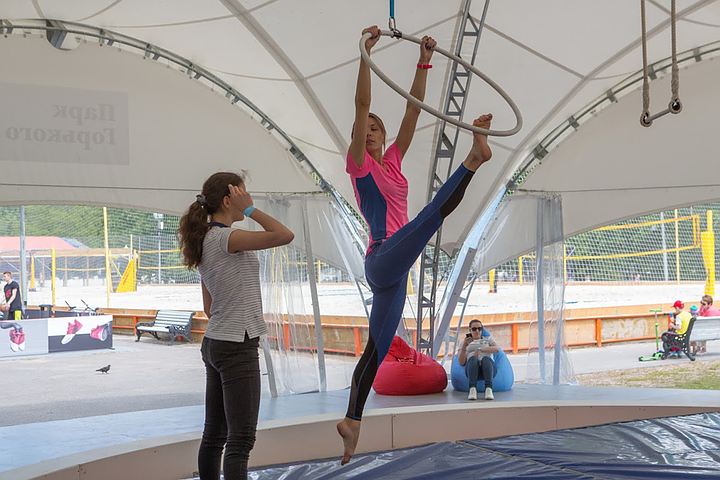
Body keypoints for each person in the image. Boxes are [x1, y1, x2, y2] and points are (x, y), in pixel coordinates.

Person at [337, 25, 494, 465]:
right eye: (360, 129)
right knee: (428, 219)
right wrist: (365, 56)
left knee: (376, 347)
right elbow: (362, 102)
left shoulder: (393, 161)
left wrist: (425, 59)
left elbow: (412, 112)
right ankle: (473, 159)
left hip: (396, 274)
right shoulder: (359, 165)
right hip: (383, 256)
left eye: (373, 129)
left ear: (383, 138)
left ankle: (352, 421)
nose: (367, 132)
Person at [179, 172, 294, 480]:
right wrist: (251, 210)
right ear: (230, 199)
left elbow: (209, 307)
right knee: (240, 440)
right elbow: (285, 235)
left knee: (214, 436)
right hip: (236, 345)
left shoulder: (204, 239)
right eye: (243, 194)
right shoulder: (227, 237)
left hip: (215, 341)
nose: (248, 197)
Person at [458, 319, 499, 401]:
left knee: (485, 359)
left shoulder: (488, 339)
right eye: (474, 329)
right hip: (472, 369)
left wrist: (480, 350)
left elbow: (497, 349)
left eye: (479, 329)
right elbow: (461, 362)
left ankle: (488, 389)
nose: (477, 331)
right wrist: (464, 346)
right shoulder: (464, 343)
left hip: (488, 368)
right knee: (473, 359)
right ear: (470, 330)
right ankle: (472, 389)